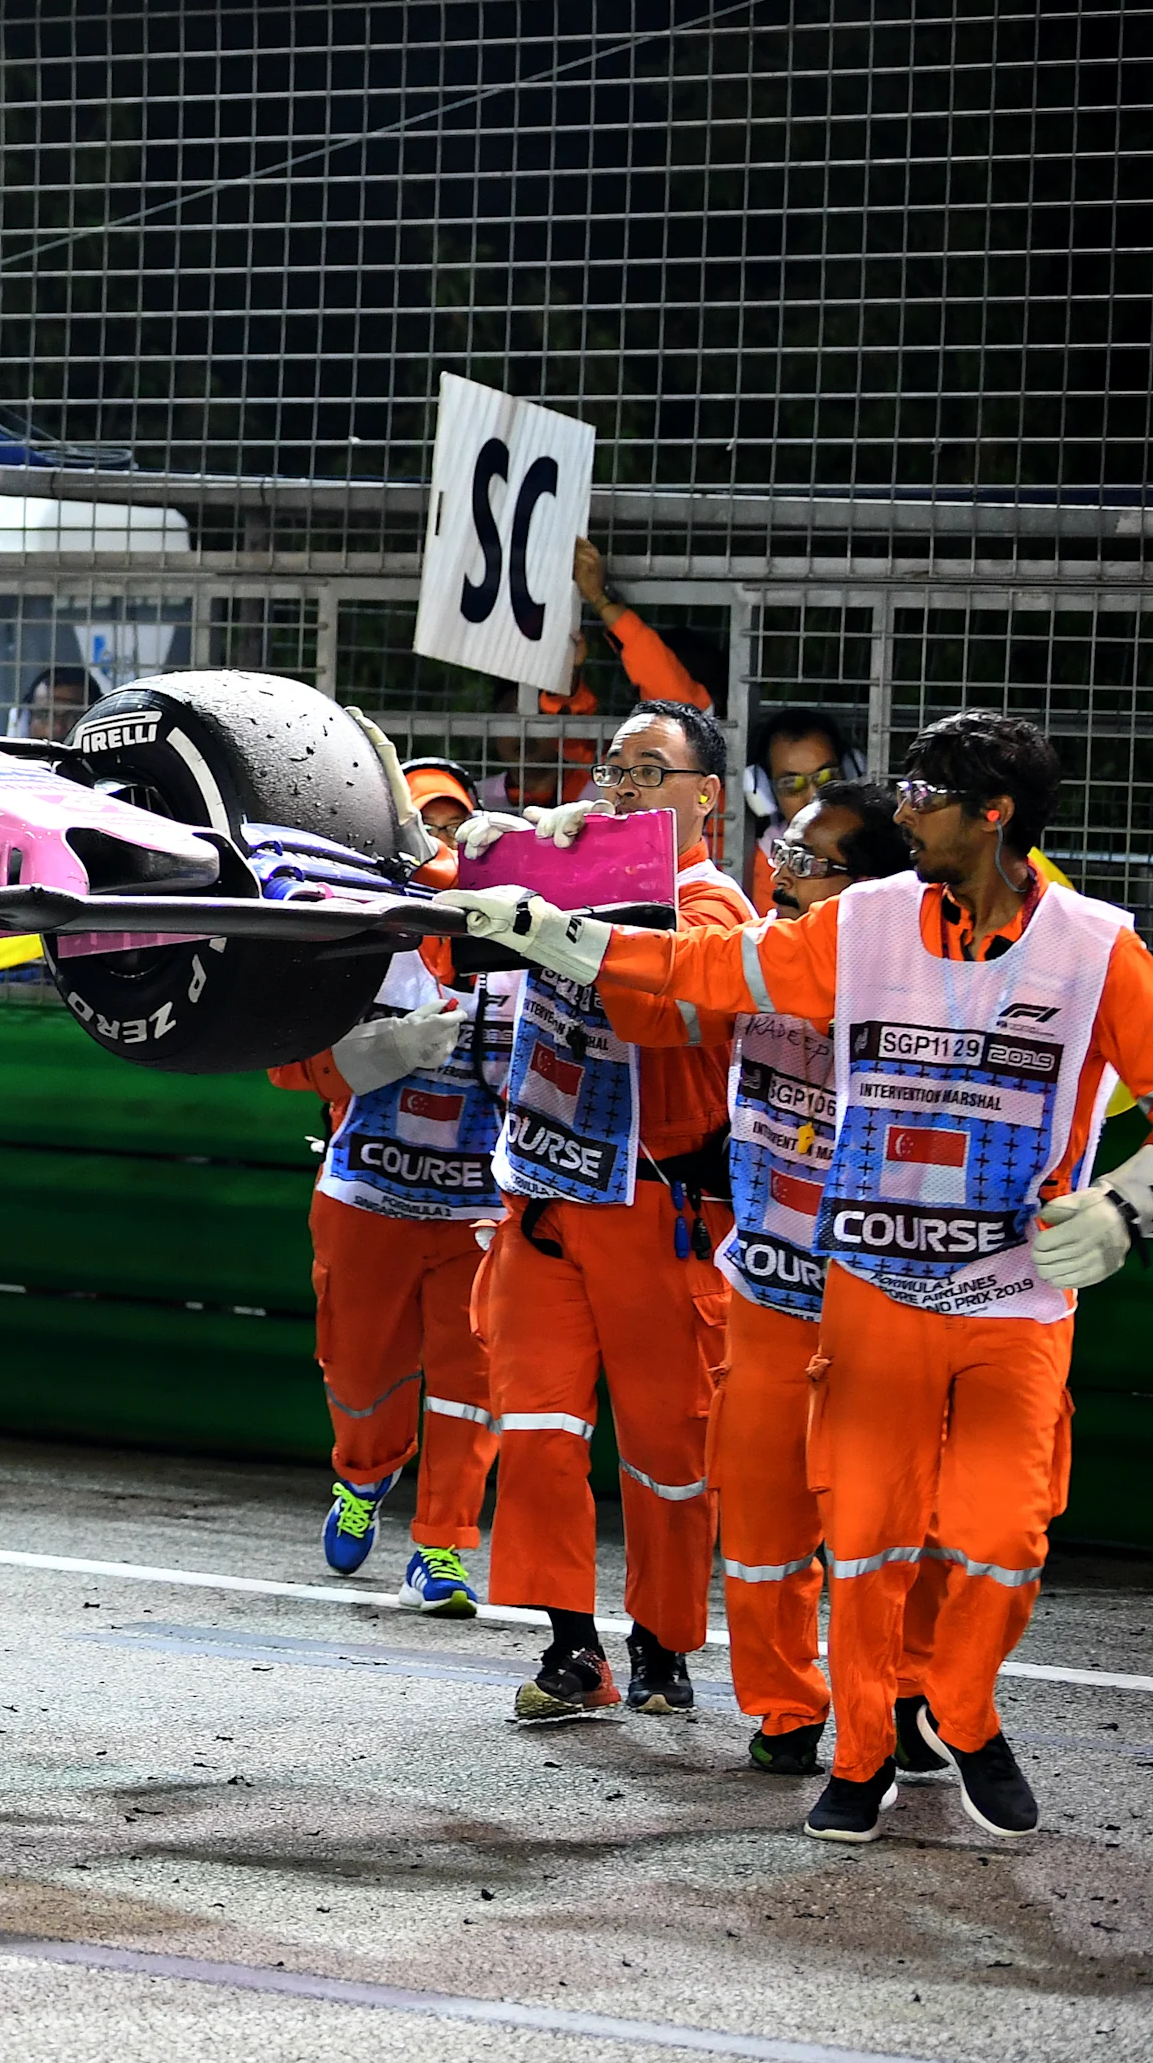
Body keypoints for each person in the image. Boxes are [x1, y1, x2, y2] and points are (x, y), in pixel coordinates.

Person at [454, 711, 1152, 1842]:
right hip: (825, 1296)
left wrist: (1125, 1203)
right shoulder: (838, 930)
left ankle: (951, 1702)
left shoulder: (1085, 947)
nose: (780, 867)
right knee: (834, 1536)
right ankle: (836, 1734)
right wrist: (543, 896)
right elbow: (681, 964)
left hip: (997, 1301)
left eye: (929, 790)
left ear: (988, 816)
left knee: (990, 1535)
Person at [450, 701, 753, 1720]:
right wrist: (479, 861)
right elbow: (460, 952)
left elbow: (661, 1011)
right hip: (542, 1202)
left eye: (648, 771)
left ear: (704, 798)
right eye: (612, 769)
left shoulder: (718, 912)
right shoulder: (561, 864)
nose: (620, 788)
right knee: (534, 1430)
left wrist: (556, 918)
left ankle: (663, 1645)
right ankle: (569, 1648)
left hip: (658, 1215)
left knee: (668, 1451)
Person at [713, 787, 947, 1781]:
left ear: (867, 890)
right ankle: (781, 1706)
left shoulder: (929, 989)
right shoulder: (753, 955)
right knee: (760, 1522)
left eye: (804, 863)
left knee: (900, 1522)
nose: (777, 874)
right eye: (777, 853)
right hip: (766, 1295)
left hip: (882, 1311)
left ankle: (898, 1693)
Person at [267, 881, 511, 1615]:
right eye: (427, 827)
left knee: (472, 1385)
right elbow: (285, 1065)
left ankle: (441, 1546)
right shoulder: (360, 939)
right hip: (365, 1199)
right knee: (358, 1371)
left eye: (455, 829)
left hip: (482, 1212)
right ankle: (363, 1477)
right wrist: (381, 1051)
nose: (444, 853)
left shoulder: (529, 949)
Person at [535, 540, 713, 800]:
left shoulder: (703, 744)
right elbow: (570, 739)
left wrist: (599, 598)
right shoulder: (621, 755)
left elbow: (663, 678)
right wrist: (568, 675)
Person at [743, 707, 859, 911]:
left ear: (849, 774)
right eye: (792, 784)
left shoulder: (880, 851)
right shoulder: (758, 867)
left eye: (825, 777)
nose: (814, 795)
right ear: (765, 793)